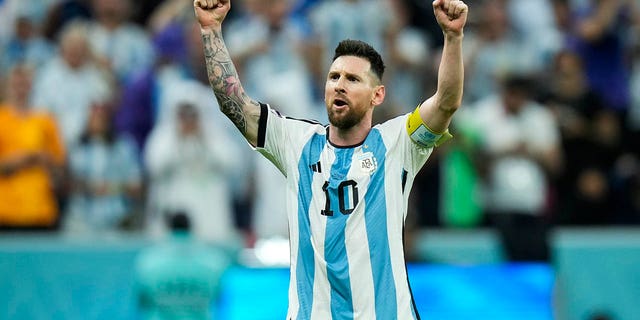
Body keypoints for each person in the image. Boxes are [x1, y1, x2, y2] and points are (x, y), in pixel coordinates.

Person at [193, 0, 467, 318]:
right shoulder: (296, 142)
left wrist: (453, 38)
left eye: (352, 79)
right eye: (334, 76)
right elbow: (233, 103)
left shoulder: (398, 143)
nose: (339, 85)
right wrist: (211, 29)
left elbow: (446, 103)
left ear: (377, 94)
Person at [0, 64, 66, 230]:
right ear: (6, 87)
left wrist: (49, 164)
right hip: (5, 212)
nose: (20, 89)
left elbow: (59, 165)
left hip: (41, 211)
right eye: (16, 84)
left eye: (25, 84)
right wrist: (28, 157)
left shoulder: (45, 120)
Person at [135, 211, 231, 320]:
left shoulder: (148, 261)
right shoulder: (215, 261)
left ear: (169, 228)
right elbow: (220, 299)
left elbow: (141, 301)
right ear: (191, 228)